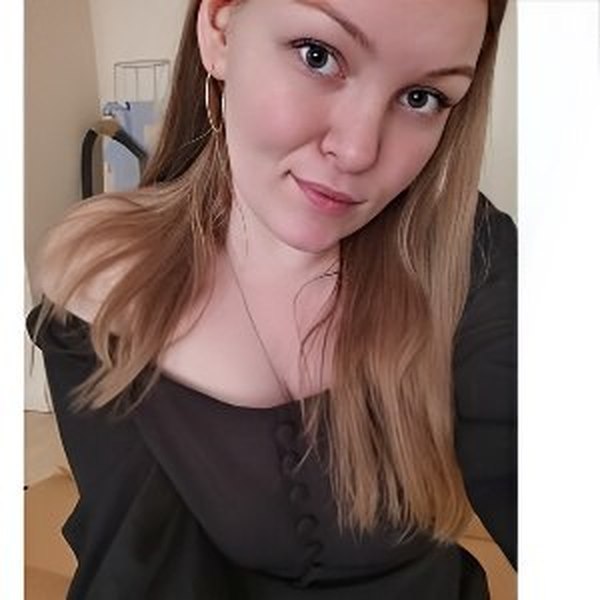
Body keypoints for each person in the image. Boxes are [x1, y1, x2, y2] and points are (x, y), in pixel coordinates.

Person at [27, 0, 516, 597]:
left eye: (422, 98)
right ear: (220, 29)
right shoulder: (107, 273)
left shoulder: (470, 257)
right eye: (319, 56)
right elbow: (138, 565)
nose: (358, 151)